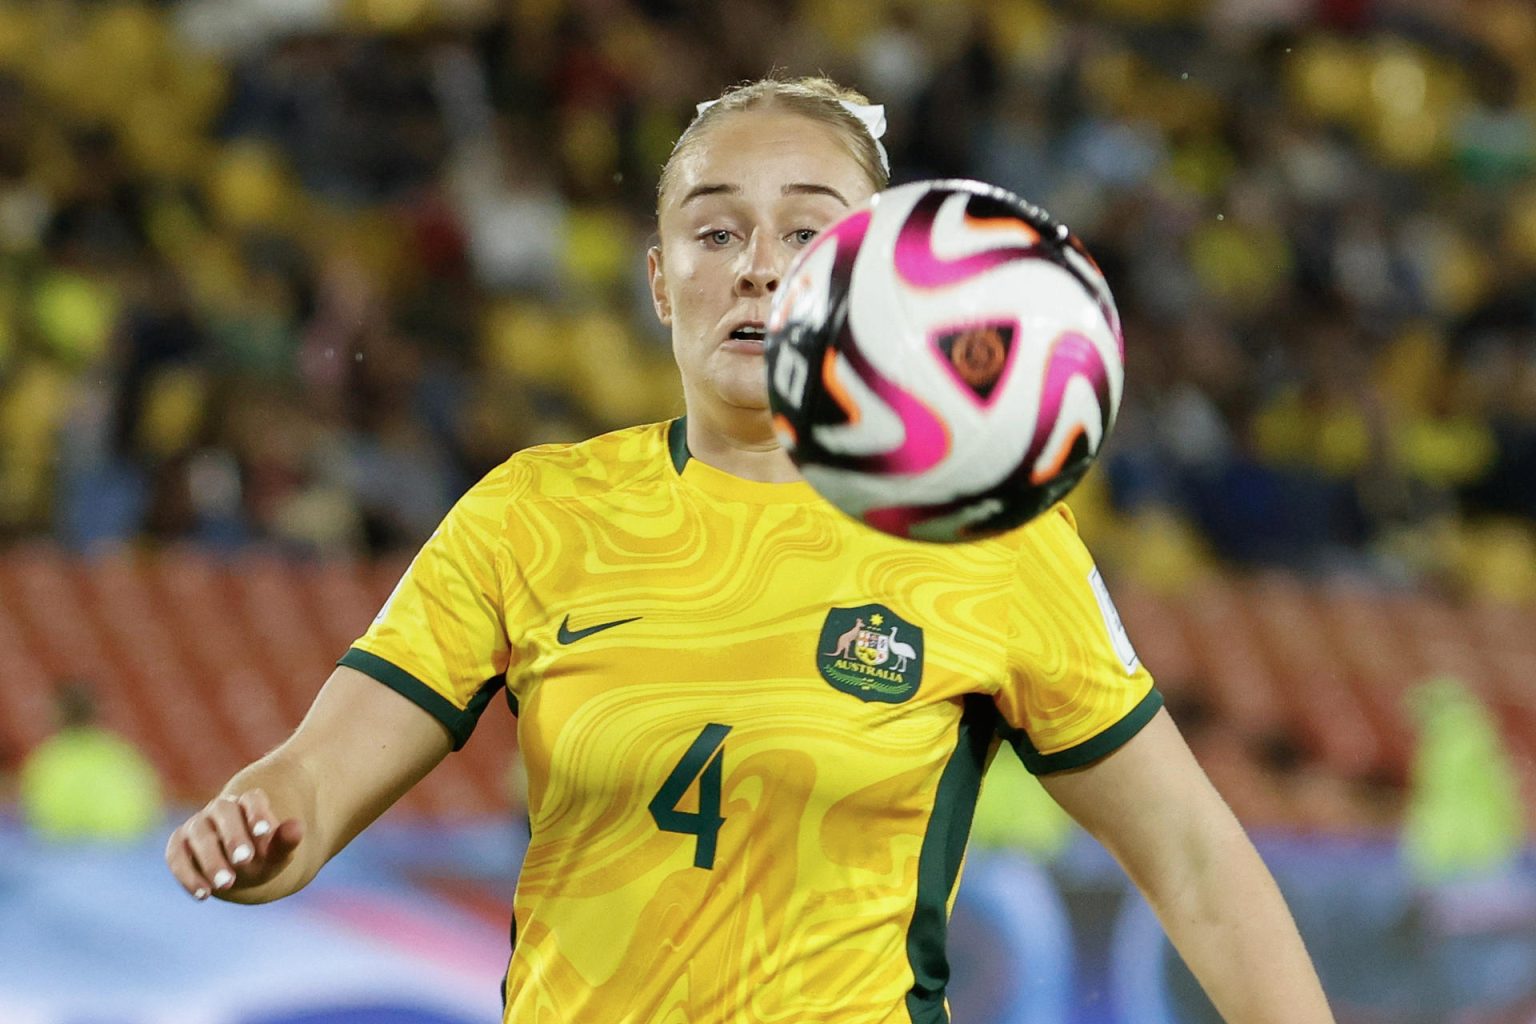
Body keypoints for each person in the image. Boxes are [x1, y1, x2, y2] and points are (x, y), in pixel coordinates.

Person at [166, 75, 1336, 1023]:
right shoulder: (532, 513)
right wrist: (264, 820)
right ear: (660, 282)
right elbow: (315, 779)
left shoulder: (988, 535)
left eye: (808, 234)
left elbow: (1190, 853)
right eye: (715, 227)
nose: (759, 265)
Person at [22, 680, 164, 841]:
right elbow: (148, 811)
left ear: (57, 714)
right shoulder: (124, 756)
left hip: (61, 854)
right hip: (122, 852)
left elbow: (36, 819)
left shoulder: (44, 762)